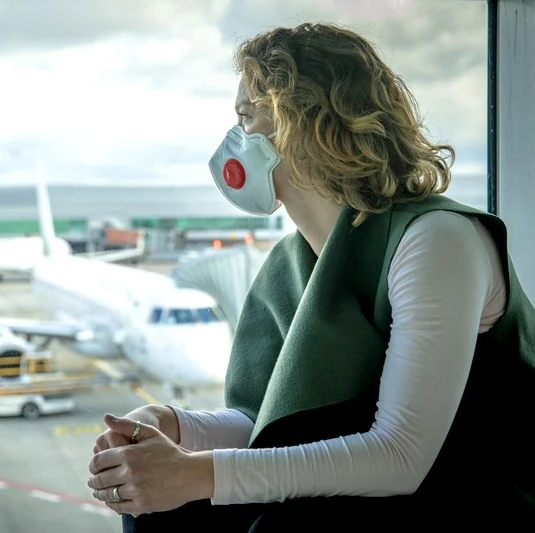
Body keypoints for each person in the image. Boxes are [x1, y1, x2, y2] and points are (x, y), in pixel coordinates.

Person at [87, 22, 535, 528]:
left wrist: (196, 476)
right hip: (392, 496)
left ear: (304, 126)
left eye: (246, 117)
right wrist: (173, 426)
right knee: (160, 510)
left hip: (480, 497)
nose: (235, 140)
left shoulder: (436, 242)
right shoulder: (292, 261)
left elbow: (400, 455)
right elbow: (273, 423)